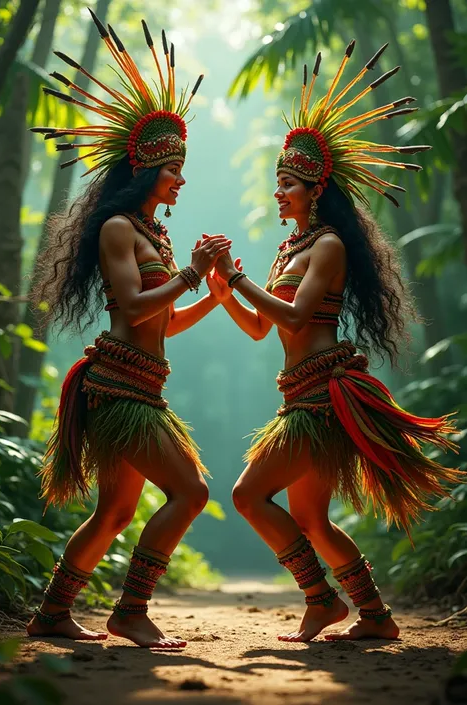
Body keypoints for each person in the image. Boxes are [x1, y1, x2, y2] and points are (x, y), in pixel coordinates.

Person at [209, 41, 461, 642]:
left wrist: (239, 277)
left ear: (316, 189)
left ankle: (322, 599)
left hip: (323, 396)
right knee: (311, 518)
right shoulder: (288, 249)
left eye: (288, 184)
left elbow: (297, 320)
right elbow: (262, 328)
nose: (279, 194)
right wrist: (223, 290)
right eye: (278, 183)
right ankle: (375, 615)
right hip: (298, 395)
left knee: (247, 496)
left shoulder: (327, 246)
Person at [26, 9, 230, 648]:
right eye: (173, 169)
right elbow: (134, 310)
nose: (181, 178)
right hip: (117, 389)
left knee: (114, 510)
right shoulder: (119, 230)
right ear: (146, 171)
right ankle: (131, 609)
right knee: (192, 492)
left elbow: (165, 318)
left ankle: (53, 614)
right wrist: (193, 274)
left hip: (142, 386)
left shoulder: (155, 237)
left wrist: (215, 294)